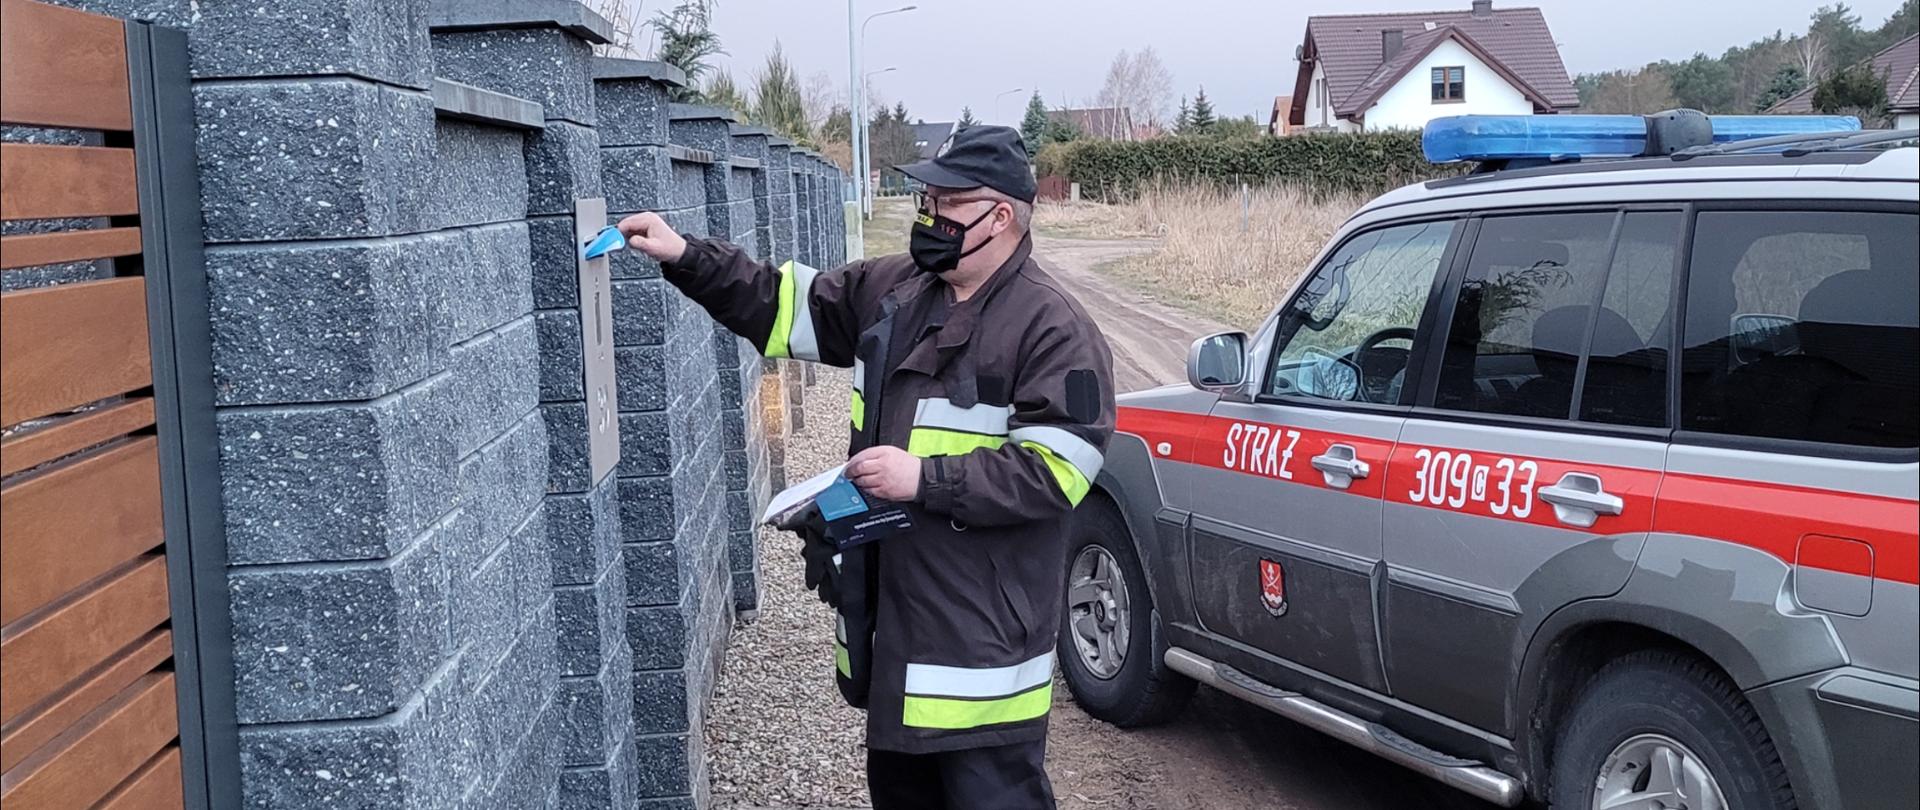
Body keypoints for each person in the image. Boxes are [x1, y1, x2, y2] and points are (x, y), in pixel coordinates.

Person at [616, 125, 1114, 810]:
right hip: (898, 640)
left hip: (979, 663)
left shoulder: (1052, 327)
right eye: (925, 201)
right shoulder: (899, 291)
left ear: (1001, 216)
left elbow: (1060, 469)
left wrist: (924, 479)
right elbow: (785, 303)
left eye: (947, 204)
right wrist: (686, 256)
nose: (929, 218)